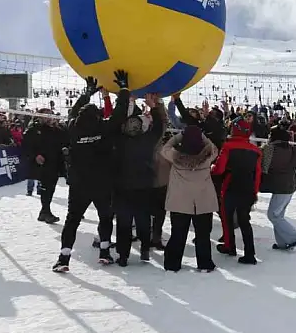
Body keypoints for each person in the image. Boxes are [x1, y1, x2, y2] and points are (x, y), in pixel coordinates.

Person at [52, 73, 129, 273]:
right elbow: (120, 114)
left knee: (72, 220)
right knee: (105, 217)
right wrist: (123, 88)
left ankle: (64, 257)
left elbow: (72, 112)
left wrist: (87, 93)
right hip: (102, 184)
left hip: (79, 184)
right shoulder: (103, 127)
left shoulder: (73, 128)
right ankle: (104, 252)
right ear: (97, 116)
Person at [113, 92, 166, 267]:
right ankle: (144, 249)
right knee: (143, 220)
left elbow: (115, 122)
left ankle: (123, 255)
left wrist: (126, 101)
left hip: (123, 188)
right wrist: (154, 105)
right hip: (144, 187)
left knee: (124, 223)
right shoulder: (147, 141)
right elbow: (159, 126)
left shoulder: (119, 142)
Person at [160, 125, 218, 272]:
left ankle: (173, 264)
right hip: (203, 201)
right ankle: (205, 264)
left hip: (180, 202)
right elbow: (214, 148)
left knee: (178, 234)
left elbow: (165, 148)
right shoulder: (208, 156)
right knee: (203, 235)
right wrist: (202, 136)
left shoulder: (175, 156)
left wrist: (179, 136)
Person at [213, 118, 262, 265]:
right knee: (244, 221)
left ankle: (229, 246)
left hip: (230, 187)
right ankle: (250, 253)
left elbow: (219, 169)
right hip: (247, 189)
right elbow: (258, 174)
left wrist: (213, 169)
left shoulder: (228, 147)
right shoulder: (256, 151)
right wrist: (255, 192)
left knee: (227, 218)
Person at [260, 126, 296, 250]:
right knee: (279, 216)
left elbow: (263, 167)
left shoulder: (270, 149)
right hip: (290, 185)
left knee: (273, 215)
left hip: (280, 187)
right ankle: (283, 243)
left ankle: (294, 236)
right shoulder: (293, 149)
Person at [22, 109, 68, 224]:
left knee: (51, 188)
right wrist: (35, 156)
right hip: (42, 164)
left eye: (50, 115)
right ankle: (46, 212)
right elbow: (26, 146)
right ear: (39, 117)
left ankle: (44, 212)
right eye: (46, 116)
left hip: (55, 164)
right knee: (45, 188)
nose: (49, 118)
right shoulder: (34, 130)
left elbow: (64, 141)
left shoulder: (57, 129)